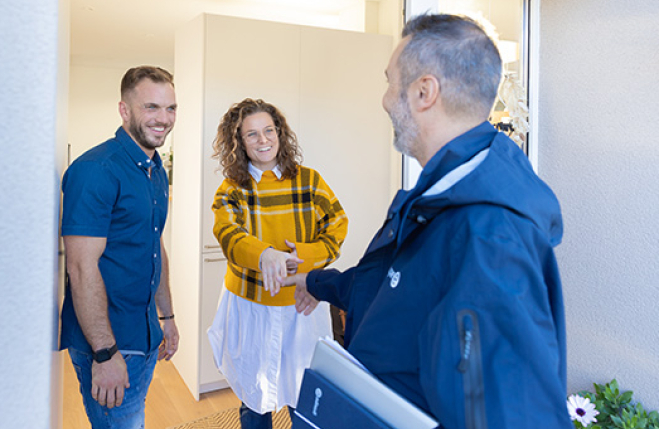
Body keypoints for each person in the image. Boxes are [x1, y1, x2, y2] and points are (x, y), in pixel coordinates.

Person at [282, 14, 571, 428]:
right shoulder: (435, 197)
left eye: (389, 81)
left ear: (423, 91)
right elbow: (385, 289)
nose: (384, 98)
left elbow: (504, 414)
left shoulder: (489, 232)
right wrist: (314, 281)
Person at [207, 98, 348, 429]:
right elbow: (227, 233)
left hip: (303, 303)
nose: (263, 140)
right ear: (238, 142)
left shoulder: (309, 180)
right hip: (250, 305)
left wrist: (303, 256)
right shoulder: (232, 188)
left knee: (306, 395)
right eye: (252, 134)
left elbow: (337, 226)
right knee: (253, 397)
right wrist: (264, 255)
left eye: (269, 130)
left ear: (280, 133)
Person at [60, 65, 180, 429]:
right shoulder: (97, 169)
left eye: (171, 108)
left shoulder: (154, 168)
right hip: (110, 342)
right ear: (124, 110)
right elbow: (81, 267)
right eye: (151, 107)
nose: (164, 119)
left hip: (143, 331)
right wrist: (104, 352)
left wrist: (167, 317)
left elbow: (152, 244)